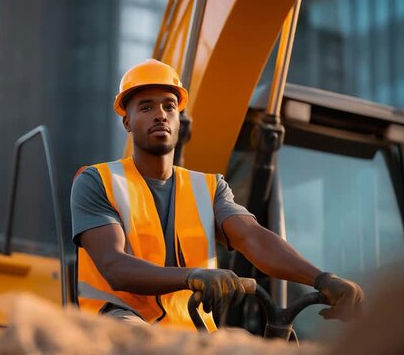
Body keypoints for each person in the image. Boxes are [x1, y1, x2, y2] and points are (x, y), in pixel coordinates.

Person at [70, 59, 363, 330]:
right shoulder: (98, 181)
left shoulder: (209, 188)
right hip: (116, 325)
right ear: (127, 122)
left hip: (191, 331)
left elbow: (253, 237)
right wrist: (191, 276)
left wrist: (322, 278)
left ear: (179, 117)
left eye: (169, 107)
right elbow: (113, 265)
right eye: (146, 107)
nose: (160, 114)